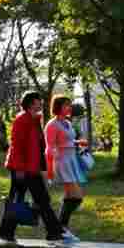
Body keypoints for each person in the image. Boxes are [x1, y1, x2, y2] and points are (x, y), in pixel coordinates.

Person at [0, 92, 68, 244]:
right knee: (29, 199)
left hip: (32, 168)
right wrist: (19, 170)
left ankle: (6, 232)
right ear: (30, 103)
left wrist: (43, 167)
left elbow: (39, 146)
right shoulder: (22, 119)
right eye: (38, 101)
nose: (41, 103)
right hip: (22, 168)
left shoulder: (35, 119)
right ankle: (54, 231)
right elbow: (17, 146)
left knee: (25, 199)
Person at [45, 95, 90, 238]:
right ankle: (59, 228)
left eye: (69, 105)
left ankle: (58, 230)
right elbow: (49, 147)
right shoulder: (52, 125)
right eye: (66, 105)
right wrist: (50, 168)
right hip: (62, 162)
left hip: (72, 160)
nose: (69, 108)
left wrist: (77, 142)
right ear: (58, 107)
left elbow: (67, 140)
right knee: (76, 197)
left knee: (71, 196)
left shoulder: (67, 123)